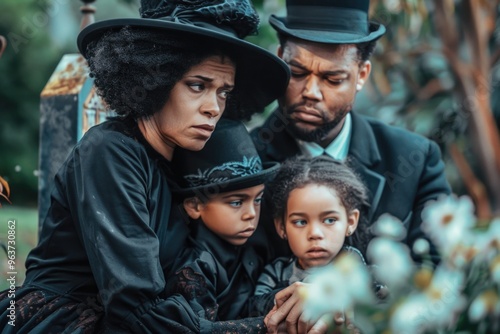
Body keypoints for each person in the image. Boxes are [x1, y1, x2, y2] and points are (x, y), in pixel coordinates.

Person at [0, 1, 289, 333]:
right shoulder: (109, 151)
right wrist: (264, 329)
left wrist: (285, 306)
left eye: (224, 92)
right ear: (155, 79)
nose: (213, 108)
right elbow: (136, 308)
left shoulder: (181, 163)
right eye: (197, 86)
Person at [250, 0, 451, 265]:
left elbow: (439, 266)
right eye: (297, 72)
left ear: (362, 75)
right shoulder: (245, 162)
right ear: (280, 59)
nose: (311, 92)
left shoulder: (416, 158)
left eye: (333, 79)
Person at [163, 118, 279, 333]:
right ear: (194, 206)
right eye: (236, 202)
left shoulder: (255, 245)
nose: (251, 214)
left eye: (258, 199)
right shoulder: (194, 268)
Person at [248, 156, 387, 323]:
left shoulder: (368, 275)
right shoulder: (275, 273)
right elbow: (255, 310)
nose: (315, 233)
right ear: (281, 227)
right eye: (300, 222)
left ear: (350, 222)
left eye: (329, 220)